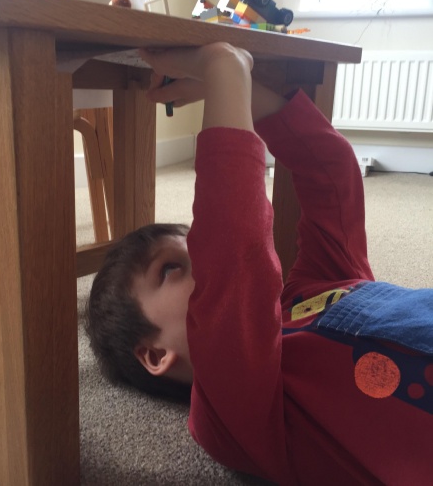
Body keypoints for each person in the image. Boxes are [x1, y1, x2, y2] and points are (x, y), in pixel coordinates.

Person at [86, 42, 433, 485]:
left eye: (194, 246)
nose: (202, 256)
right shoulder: (229, 412)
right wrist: (224, 68)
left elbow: (331, 173)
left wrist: (240, 92)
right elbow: (232, 257)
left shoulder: (316, 284)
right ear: (155, 354)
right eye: (170, 268)